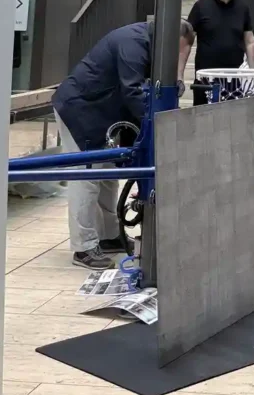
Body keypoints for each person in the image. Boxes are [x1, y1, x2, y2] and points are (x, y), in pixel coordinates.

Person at [53, 19, 195, 268]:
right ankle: (83, 247)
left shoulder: (150, 45)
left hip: (102, 113)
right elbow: (133, 91)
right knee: (86, 179)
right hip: (80, 111)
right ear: (167, 38)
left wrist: (179, 71)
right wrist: (160, 125)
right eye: (176, 52)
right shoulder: (134, 43)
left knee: (108, 177)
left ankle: (109, 236)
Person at [187, 0, 254, 103]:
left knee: (231, 115)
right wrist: (179, 74)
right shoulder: (200, 7)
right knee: (203, 115)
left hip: (234, 79)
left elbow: (249, 42)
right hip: (205, 78)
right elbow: (186, 42)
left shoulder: (242, 8)